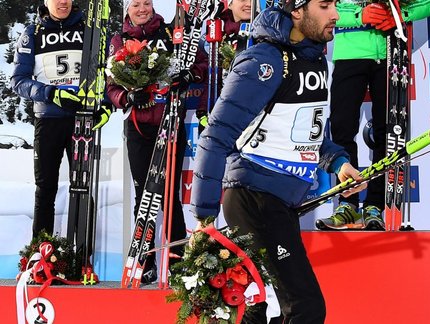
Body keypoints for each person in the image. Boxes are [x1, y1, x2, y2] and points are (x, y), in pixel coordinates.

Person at [190, 1, 366, 322]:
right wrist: (204, 216)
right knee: (305, 307)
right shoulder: (264, 61)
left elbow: (306, 130)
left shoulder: (312, 59)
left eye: (336, 5)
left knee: (262, 310)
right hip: (255, 199)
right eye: (325, 5)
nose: (336, 14)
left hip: (278, 202)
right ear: (296, 11)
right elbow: (216, 135)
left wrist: (338, 162)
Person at [316, 0, 430, 230]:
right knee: (343, 129)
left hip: (391, 53)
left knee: (388, 133)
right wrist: (359, 15)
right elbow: (320, 7)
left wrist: (399, 13)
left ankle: (375, 205)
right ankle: (347, 203)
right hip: (349, 54)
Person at [106, 0, 200, 284]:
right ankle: (143, 261)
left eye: (146, 3)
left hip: (169, 124)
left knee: (169, 196)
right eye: (136, 4)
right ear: (127, 9)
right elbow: (111, 85)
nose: (142, 9)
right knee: (143, 196)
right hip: (138, 128)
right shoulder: (119, 40)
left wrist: (189, 76)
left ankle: (178, 262)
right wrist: (127, 97)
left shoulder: (173, 33)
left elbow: (199, 62)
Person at [11, 0, 110, 239]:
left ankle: (82, 257)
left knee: (84, 189)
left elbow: (107, 73)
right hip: (48, 120)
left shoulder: (90, 30)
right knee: (45, 189)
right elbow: (18, 81)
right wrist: (49, 93)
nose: (63, 2)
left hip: (83, 117)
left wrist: (105, 106)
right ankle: (42, 255)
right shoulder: (32, 33)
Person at [195, 0, 253, 134]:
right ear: (230, 3)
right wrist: (204, 111)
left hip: (255, 112)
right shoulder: (217, 27)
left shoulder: (267, 30)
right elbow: (211, 73)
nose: (249, 4)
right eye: (243, 0)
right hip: (220, 110)